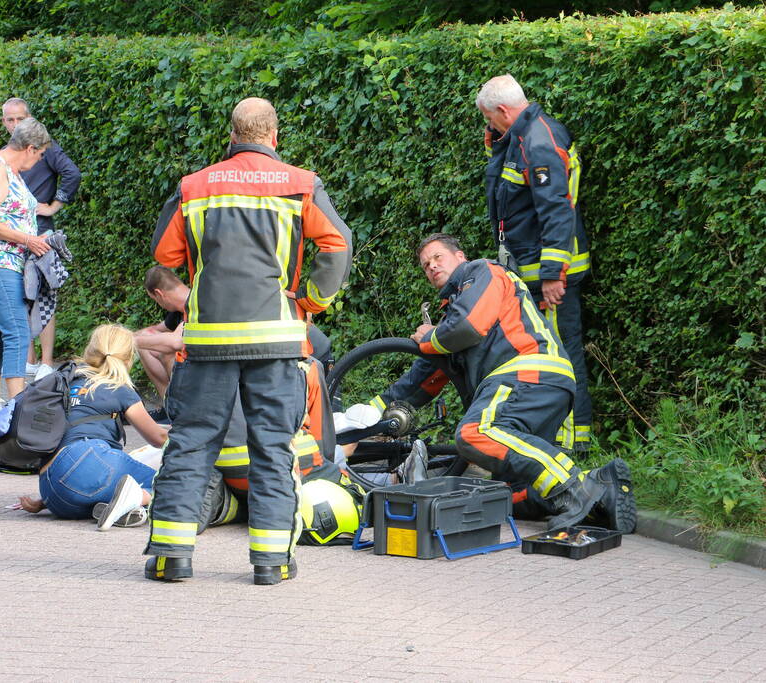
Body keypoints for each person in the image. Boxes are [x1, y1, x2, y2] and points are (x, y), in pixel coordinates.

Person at [147, 97, 352, 584]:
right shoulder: (303, 184)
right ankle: (270, 562)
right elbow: (337, 246)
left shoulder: (194, 187)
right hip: (277, 340)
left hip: (208, 341)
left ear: (233, 136)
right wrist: (309, 299)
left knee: (192, 445)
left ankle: (170, 558)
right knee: (273, 449)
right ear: (274, 137)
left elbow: (165, 253)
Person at [372, 233, 635, 534]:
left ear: (460, 256)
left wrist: (429, 337)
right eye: (425, 265)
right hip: (543, 381)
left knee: (475, 432)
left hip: (525, 371)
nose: (431, 266)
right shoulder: (455, 308)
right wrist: (376, 410)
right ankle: (602, 490)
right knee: (510, 494)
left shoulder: (482, 272)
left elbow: (467, 326)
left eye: (437, 257)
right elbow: (428, 376)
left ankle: (577, 488)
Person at [478, 75, 593, 451]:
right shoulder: (522, 138)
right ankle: (553, 437)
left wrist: (552, 275)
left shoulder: (539, 143)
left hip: (550, 278)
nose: (488, 126)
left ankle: (573, 443)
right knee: (546, 354)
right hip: (531, 271)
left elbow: (557, 211)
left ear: (504, 111)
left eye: (490, 119)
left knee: (561, 355)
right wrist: (497, 144)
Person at [16, 324, 169, 529]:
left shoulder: (68, 379)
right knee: (173, 486)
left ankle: (117, 505)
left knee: (106, 481)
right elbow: (158, 438)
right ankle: (133, 498)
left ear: (90, 350)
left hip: (52, 493)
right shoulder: (118, 388)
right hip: (87, 461)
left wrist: (48, 500)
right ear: (128, 358)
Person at [0, 118, 52, 430]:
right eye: (40, 154)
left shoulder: (8, 170)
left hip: (3, 262)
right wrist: (29, 239)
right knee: (17, 332)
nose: (39, 160)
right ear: (30, 148)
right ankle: (18, 411)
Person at [1, 98, 82, 377]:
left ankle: (46, 362)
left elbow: (72, 172)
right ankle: (29, 358)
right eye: (9, 120)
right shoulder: (2, 155)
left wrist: (54, 204)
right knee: (21, 296)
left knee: (44, 296)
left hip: (41, 232)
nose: (14, 124)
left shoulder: (47, 149)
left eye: (19, 119)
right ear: (3, 122)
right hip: (14, 234)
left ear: (30, 118)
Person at [134, 265, 188, 406]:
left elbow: (176, 342)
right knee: (147, 338)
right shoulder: (178, 308)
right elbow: (156, 329)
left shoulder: (195, 304)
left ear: (159, 293)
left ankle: (178, 410)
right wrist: (118, 337)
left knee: (167, 350)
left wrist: (128, 340)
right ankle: (168, 404)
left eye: (155, 299)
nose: (158, 304)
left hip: (209, 369)